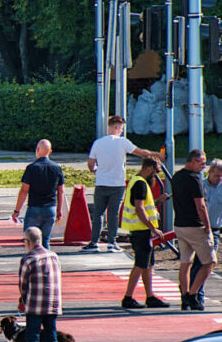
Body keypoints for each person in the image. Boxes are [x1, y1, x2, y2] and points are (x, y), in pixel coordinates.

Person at [82, 116, 164, 253]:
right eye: (121, 128)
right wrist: (158, 155)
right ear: (116, 127)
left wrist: (97, 170)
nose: (122, 131)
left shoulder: (97, 143)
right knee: (113, 214)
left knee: (98, 214)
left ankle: (94, 242)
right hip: (117, 183)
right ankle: (111, 243)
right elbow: (141, 153)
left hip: (101, 182)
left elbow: (91, 164)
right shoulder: (122, 142)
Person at [120, 157, 170, 309]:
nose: (155, 176)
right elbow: (139, 209)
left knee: (147, 265)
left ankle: (150, 296)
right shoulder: (140, 184)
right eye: (155, 173)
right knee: (141, 264)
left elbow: (144, 206)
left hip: (141, 230)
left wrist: (158, 202)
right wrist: (153, 228)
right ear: (149, 169)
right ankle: (128, 297)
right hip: (141, 230)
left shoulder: (137, 181)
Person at [171, 149, 216, 310]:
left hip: (179, 225)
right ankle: (192, 294)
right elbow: (200, 205)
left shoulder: (176, 177)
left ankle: (184, 296)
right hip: (195, 226)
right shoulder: (194, 179)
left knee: (185, 262)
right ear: (192, 161)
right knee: (210, 262)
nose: (204, 166)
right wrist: (208, 227)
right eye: (202, 163)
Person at [18, 227, 62, 342]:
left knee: (33, 339)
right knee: (52, 338)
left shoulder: (28, 259)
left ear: (28, 242)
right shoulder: (54, 256)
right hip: (53, 303)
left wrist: (22, 300)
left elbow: (22, 284)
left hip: (35, 304)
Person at [12, 139, 64, 250]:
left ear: (37, 150)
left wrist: (17, 210)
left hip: (34, 208)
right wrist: (59, 210)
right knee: (45, 240)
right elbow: (61, 191)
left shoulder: (31, 168)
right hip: (50, 208)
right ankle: (46, 263)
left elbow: (24, 191)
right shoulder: (57, 168)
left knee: (30, 241)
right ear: (50, 152)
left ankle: (32, 262)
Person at [190, 159, 222, 303]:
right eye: (216, 176)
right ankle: (194, 294)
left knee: (206, 263)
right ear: (209, 173)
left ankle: (194, 294)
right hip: (199, 229)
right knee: (202, 263)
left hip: (215, 230)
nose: (219, 179)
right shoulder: (200, 185)